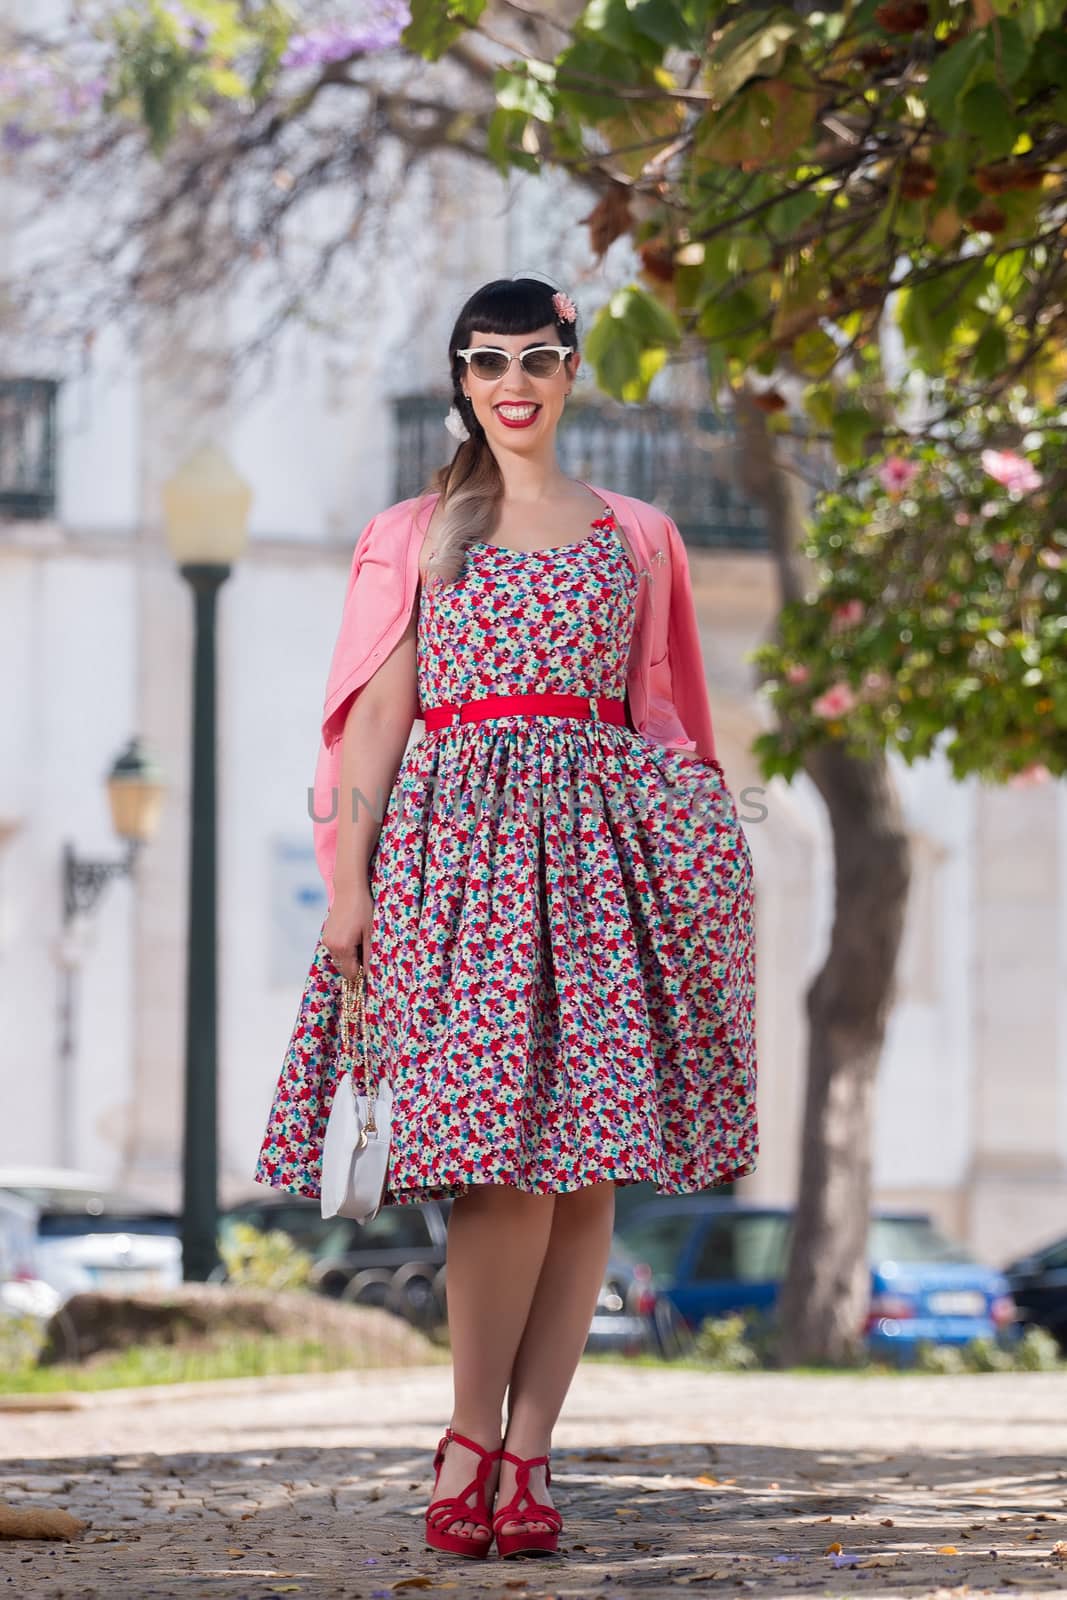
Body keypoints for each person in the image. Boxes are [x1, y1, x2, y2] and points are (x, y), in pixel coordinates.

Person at [255, 275, 758, 1561]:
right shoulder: (416, 533)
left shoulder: (639, 533)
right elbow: (372, 717)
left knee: (580, 1162)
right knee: (493, 1158)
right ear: (461, 380)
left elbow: (665, 714)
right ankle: (468, 1433)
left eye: (536, 357)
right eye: (488, 361)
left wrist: (698, 855)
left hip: (600, 856)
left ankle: (531, 1453)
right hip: (457, 858)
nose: (513, 381)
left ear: (572, 368)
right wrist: (348, 884)